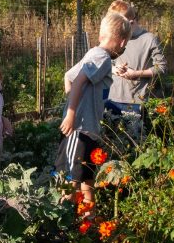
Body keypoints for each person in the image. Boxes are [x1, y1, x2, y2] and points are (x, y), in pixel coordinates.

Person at [56, 13, 131, 208]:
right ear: (122, 41)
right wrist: (72, 113)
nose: (124, 47)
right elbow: (78, 80)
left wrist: (73, 104)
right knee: (70, 181)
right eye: (126, 43)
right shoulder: (101, 57)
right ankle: (64, 220)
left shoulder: (98, 56)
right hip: (79, 130)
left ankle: (89, 220)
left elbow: (68, 77)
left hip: (88, 130)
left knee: (86, 179)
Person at [106, 0, 166, 115]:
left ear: (131, 21)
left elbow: (162, 67)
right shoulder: (115, 37)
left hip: (136, 102)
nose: (115, 28)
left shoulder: (149, 39)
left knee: (133, 133)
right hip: (111, 98)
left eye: (118, 24)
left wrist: (136, 73)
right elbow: (102, 61)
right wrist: (113, 69)